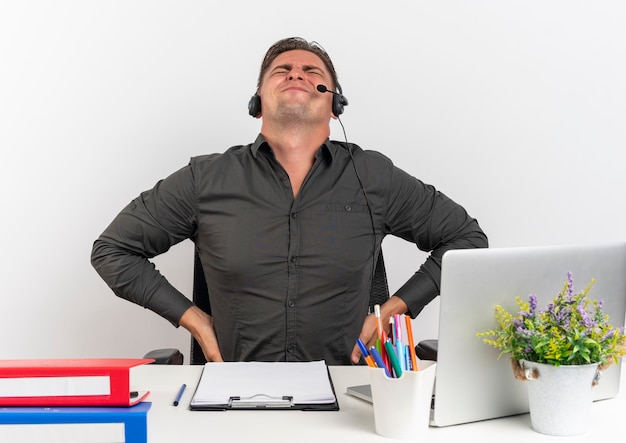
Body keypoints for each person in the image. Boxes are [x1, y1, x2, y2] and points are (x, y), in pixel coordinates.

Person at [91, 37, 488, 366]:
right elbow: (113, 250)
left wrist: (391, 312)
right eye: (282, 70)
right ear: (258, 102)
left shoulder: (372, 176)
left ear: (335, 105)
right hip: (235, 392)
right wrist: (194, 321)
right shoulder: (205, 178)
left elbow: (466, 237)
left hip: (349, 391)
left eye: (312, 71)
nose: (296, 72)